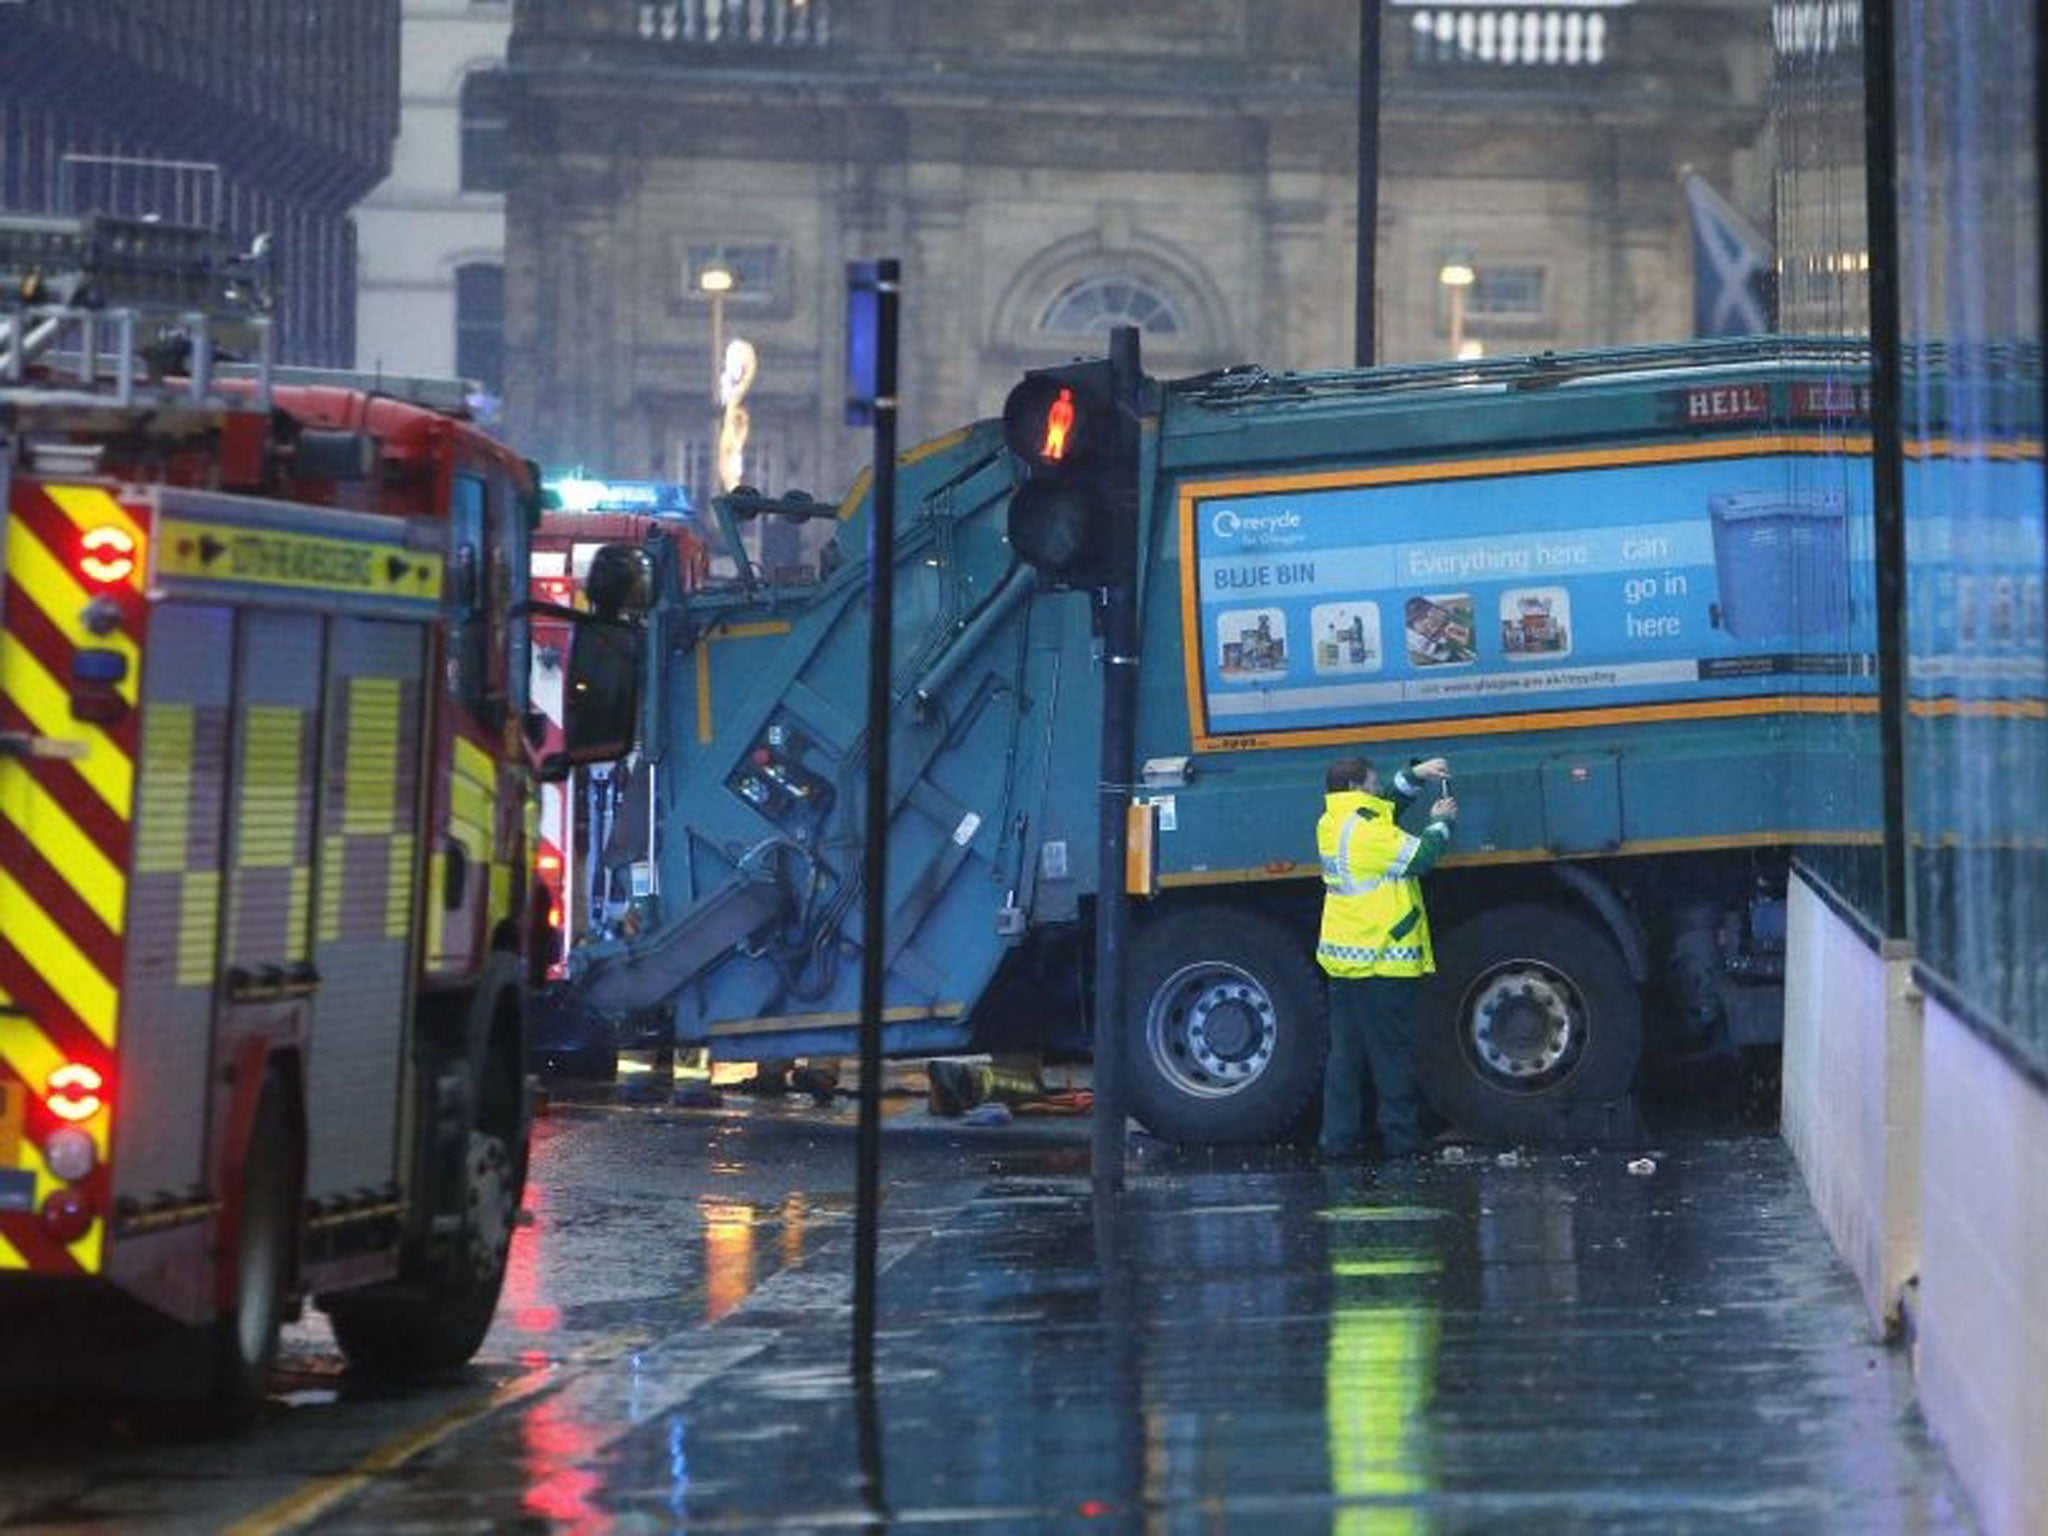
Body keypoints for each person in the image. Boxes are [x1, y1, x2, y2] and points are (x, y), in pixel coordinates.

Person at [1315, 754, 1456, 1161]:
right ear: (1356, 789)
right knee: (1391, 1057)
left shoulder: (1333, 822)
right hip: (1380, 960)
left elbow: (1387, 806)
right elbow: (1421, 858)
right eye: (1373, 783)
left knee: (1345, 1058)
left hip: (1346, 963)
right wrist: (1441, 821)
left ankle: (1337, 1142)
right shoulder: (1367, 834)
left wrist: (1416, 776)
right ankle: (1403, 1141)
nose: (1378, 789)